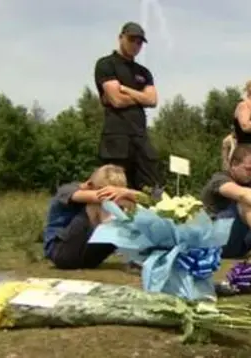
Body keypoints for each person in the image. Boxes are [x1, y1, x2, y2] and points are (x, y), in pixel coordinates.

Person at [94, 22, 162, 195]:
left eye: (139, 42)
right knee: (113, 190)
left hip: (140, 137)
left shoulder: (144, 72)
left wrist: (127, 90)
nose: (135, 45)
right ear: (121, 37)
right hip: (116, 138)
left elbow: (153, 100)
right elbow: (116, 99)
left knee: (151, 190)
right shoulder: (106, 64)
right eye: (132, 39)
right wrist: (141, 98)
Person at [42, 165, 140, 270]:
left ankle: (137, 255)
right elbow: (101, 198)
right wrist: (128, 198)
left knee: (125, 209)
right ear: (90, 184)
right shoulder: (67, 190)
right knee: (100, 204)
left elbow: (147, 200)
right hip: (61, 252)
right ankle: (128, 250)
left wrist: (126, 193)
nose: (114, 194)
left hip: (87, 256)